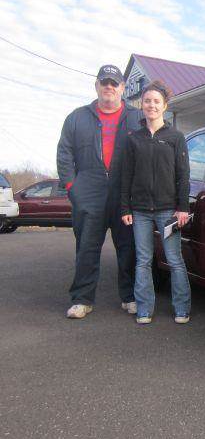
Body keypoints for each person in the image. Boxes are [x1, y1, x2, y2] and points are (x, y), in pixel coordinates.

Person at [57, 65, 141, 319]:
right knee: (87, 247)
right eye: (104, 82)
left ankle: (129, 296)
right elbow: (64, 154)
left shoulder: (137, 117)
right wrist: (73, 188)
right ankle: (82, 299)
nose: (109, 87)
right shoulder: (77, 117)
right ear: (96, 86)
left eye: (114, 83)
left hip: (123, 191)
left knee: (128, 247)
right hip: (89, 191)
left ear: (123, 88)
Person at [120, 80, 191, 324]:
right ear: (141, 105)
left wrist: (183, 208)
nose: (151, 105)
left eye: (156, 101)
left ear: (165, 106)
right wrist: (125, 208)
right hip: (139, 211)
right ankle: (144, 309)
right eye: (147, 101)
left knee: (174, 260)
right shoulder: (133, 139)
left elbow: (183, 175)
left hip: (168, 211)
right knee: (142, 261)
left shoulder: (176, 137)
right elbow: (125, 176)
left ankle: (181, 308)